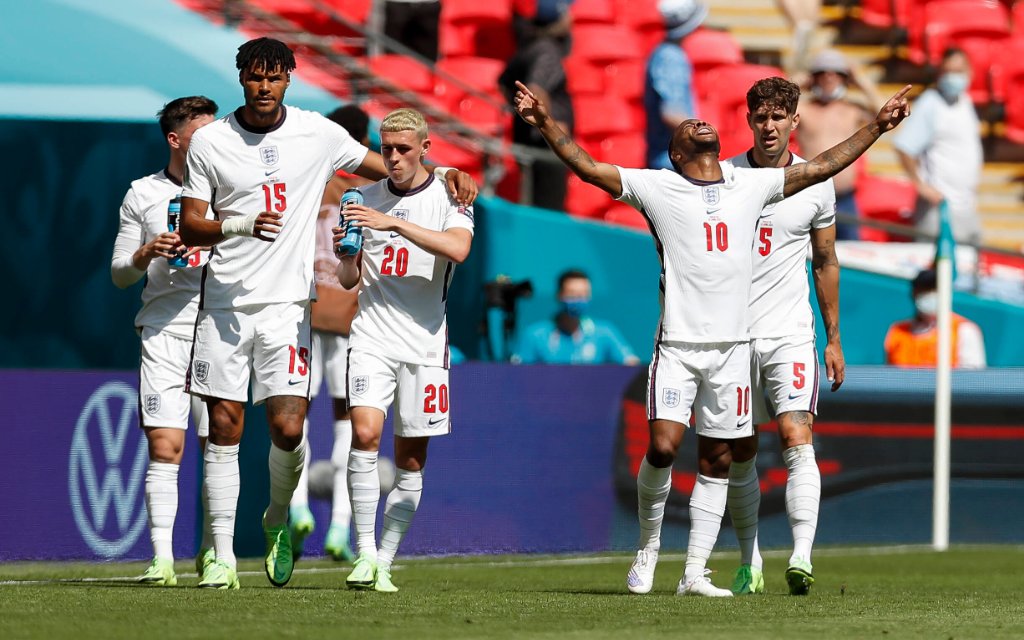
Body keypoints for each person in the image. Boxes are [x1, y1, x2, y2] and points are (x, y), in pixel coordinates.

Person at [512, 78, 910, 596]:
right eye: (687, 128)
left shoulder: (749, 186)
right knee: (664, 448)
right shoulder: (663, 185)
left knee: (732, 454)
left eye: (705, 123)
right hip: (680, 344)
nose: (700, 123)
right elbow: (588, 167)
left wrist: (877, 126)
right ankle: (653, 550)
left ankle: (709, 570)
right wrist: (544, 122)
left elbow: (820, 168)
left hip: (743, 344)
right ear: (677, 153)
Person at [179, 37, 476, 590]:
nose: (263, 86)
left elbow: (392, 169)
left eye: (273, 77)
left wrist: (450, 172)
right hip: (222, 302)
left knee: (289, 430)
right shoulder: (212, 142)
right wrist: (240, 225)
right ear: (240, 78)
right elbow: (192, 223)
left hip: (288, 307)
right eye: (253, 76)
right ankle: (219, 552)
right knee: (223, 425)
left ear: (289, 78)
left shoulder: (317, 132)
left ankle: (274, 519)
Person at [334, 107, 474, 593]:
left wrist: (391, 225)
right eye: (386, 149)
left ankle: (387, 560)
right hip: (371, 336)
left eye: (402, 149)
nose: (392, 158)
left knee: (411, 462)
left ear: (425, 149)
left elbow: (457, 250)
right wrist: (347, 254)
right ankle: (365, 554)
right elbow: (348, 280)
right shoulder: (363, 200)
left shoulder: (452, 195)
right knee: (365, 435)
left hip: (426, 344)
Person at [718, 77, 845, 597]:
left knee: (797, 436)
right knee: (740, 451)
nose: (768, 126)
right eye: (760, 117)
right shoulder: (722, 178)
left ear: (795, 121)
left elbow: (826, 261)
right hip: (732, 336)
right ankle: (750, 560)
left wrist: (833, 338)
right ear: (748, 121)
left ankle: (801, 556)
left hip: (791, 332)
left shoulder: (816, 181)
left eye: (778, 117)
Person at [110, 95, 218, 586]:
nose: (214, 141)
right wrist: (148, 252)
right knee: (166, 444)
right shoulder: (141, 194)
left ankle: (214, 552)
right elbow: (118, 275)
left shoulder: (232, 187)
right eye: (202, 132)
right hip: (164, 328)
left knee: (218, 444)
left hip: (221, 326)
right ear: (175, 140)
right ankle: (161, 559)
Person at [288, 104, 373, 562]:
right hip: (351, 321)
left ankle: (298, 507)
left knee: (296, 414)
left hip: (306, 311)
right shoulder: (376, 191)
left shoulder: (312, 180)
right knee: (349, 425)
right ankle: (341, 525)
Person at [894, 47, 983, 245]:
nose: (953, 78)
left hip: (966, 205)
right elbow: (904, 147)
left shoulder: (965, 102)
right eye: (948, 72)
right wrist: (921, 186)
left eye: (958, 72)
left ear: (970, 73)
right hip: (939, 209)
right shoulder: (931, 104)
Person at [796, 49, 882, 241]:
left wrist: (861, 82)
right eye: (823, 75)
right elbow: (774, 108)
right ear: (813, 79)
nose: (829, 79)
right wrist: (795, 84)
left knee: (851, 255)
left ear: (845, 79)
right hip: (811, 195)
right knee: (805, 253)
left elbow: (887, 113)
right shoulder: (804, 109)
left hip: (844, 198)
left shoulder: (852, 110)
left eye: (835, 75)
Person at [499, 3, 574, 210]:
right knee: (547, 214)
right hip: (547, 148)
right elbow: (534, 91)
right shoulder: (547, 51)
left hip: (532, 145)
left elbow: (504, 82)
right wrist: (550, 125)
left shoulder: (530, 45)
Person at [512, 269, 641, 365]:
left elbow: (631, 364)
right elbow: (518, 376)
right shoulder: (535, 335)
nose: (579, 299)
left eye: (584, 294)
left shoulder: (604, 332)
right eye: (572, 294)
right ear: (560, 295)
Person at [644, 0, 707, 170]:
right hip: (672, 163)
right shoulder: (671, 58)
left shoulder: (665, 54)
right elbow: (671, 112)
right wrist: (704, 137)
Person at [884, 268, 986, 368]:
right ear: (914, 294)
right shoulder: (897, 331)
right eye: (925, 290)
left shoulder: (964, 330)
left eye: (935, 290)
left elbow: (972, 379)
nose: (930, 295)